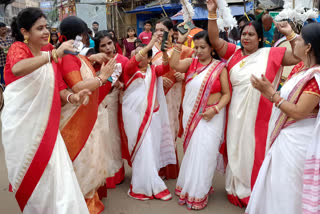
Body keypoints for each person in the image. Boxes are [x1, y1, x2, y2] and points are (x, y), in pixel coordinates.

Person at [207, 0, 300, 207]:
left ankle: (254, 192)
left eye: (251, 34)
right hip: (235, 115)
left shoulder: (271, 54)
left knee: (254, 152)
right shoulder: (233, 54)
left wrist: (290, 34)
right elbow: (214, 39)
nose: (246, 37)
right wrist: (212, 13)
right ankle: (235, 189)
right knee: (236, 149)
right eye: (243, 34)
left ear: (260, 38)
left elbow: (299, 56)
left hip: (261, 117)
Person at [1, 7, 91, 214]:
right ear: (25, 32)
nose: (45, 32)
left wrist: (73, 97)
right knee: (33, 176)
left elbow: (58, 85)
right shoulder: (18, 48)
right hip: (22, 126)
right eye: (39, 28)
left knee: (58, 174)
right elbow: (17, 68)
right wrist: (53, 55)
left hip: (47, 126)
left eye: (46, 28)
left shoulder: (49, 50)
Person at [246, 22, 320, 214]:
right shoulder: (301, 68)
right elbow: (297, 51)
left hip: (298, 144)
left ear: (309, 47)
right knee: (277, 188)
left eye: (300, 39)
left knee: (289, 191)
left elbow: (298, 112)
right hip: (286, 139)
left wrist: (271, 94)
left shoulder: (315, 77)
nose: (296, 42)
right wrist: (290, 34)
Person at [58, 16, 116, 214]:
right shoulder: (67, 58)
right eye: (81, 37)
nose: (84, 41)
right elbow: (78, 86)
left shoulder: (75, 56)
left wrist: (92, 59)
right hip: (75, 119)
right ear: (67, 38)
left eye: (84, 37)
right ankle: (81, 205)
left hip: (87, 116)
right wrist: (102, 78)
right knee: (82, 162)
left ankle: (89, 200)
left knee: (90, 161)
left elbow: (81, 64)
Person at [170, 29, 231, 210]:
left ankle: (199, 193)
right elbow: (174, 64)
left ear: (212, 48)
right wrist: (179, 44)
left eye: (203, 47)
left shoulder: (220, 68)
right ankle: (187, 188)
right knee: (192, 154)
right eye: (196, 47)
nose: (198, 51)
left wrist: (215, 109)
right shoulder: (191, 62)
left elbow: (227, 94)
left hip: (212, 117)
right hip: (192, 115)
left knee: (205, 155)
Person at [122, 33, 176, 201]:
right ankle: (141, 185)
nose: (137, 56)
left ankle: (152, 177)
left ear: (149, 59)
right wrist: (150, 43)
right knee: (142, 150)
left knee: (151, 149)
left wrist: (165, 52)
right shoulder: (130, 72)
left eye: (142, 54)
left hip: (154, 117)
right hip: (136, 119)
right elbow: (131, 63)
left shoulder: (153, 70)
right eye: (135, 54)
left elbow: (166, 68)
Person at [152, 17, 194, 179]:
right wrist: (158, 79)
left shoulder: (183, 50)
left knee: (170, 127)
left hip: (173, 95)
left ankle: (168, 168)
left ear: (171, 32)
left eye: (162, 30)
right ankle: (158, 167)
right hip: (155, 94)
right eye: (156, 30)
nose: (158, 33)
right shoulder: (150, 49)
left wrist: (183, 75)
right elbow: (142, 72)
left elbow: (196, 71)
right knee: (156, 128)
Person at [93, 30, 128, 188]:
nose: (107, 48)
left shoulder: (123, 60)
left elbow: (130, 85)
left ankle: (116, 173)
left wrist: (118, 84)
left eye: (109, 43)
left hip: (114, 102)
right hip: (97, 104)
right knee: (100, 138)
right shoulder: (94, 62)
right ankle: (101, 174)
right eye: (103, 46)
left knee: (113, 137)